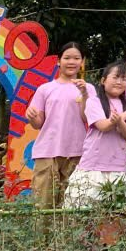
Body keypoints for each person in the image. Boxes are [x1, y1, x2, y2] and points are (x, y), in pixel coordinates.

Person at [64, 60, 126, 208]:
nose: (120, 82)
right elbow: (104, 126)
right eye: (115, 77)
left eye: (124, 78)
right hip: (94, 165)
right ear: (103, 80)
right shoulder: (93, 102)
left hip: (118, 166)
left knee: (116, 215)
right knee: (83, 211)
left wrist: (120, 121)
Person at [26, 42, 88, 209]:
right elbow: (38, 123)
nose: (72, 62)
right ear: (58, 61)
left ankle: (67, 237)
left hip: (77, 153)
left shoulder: (87, 89)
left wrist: (85, 95)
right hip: (47, 152)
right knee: (43, 205)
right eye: (67, 58)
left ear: (82, 62)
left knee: (72, 206)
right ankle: (41, 237)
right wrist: (32, 117)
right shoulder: (45, 89)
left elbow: (87, 118)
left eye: (76, 58)